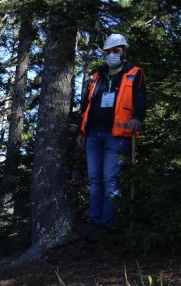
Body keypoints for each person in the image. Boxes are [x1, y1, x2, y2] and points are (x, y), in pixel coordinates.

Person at [76, 33, 146, 233]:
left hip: (117, 135)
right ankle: (94, 220)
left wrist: (137, 118)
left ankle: (106, 224)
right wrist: (81, 131)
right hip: (93, 135)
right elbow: (86, 105)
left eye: (117, 50)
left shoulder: (134, 72)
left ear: (124, 51)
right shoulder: (97, 76)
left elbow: (141, 99)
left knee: (111, 179)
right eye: (109, 51)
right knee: (95, 179)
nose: (112, 54)